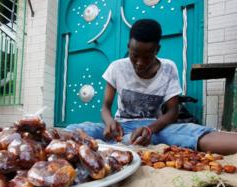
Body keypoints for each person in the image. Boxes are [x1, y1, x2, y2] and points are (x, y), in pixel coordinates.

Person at [66, 19, 237, 155]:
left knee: (192, 133)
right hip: (121, 126)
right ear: (128, 47)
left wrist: (149, 129)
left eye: (147, 57)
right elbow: (105, 107)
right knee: (79, 130)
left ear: (157, 50)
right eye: (134, 56)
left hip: (155, 128)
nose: (139, 63)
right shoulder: (116, 67)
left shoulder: (168, 68)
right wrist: (110, 122)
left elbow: (172, 112)